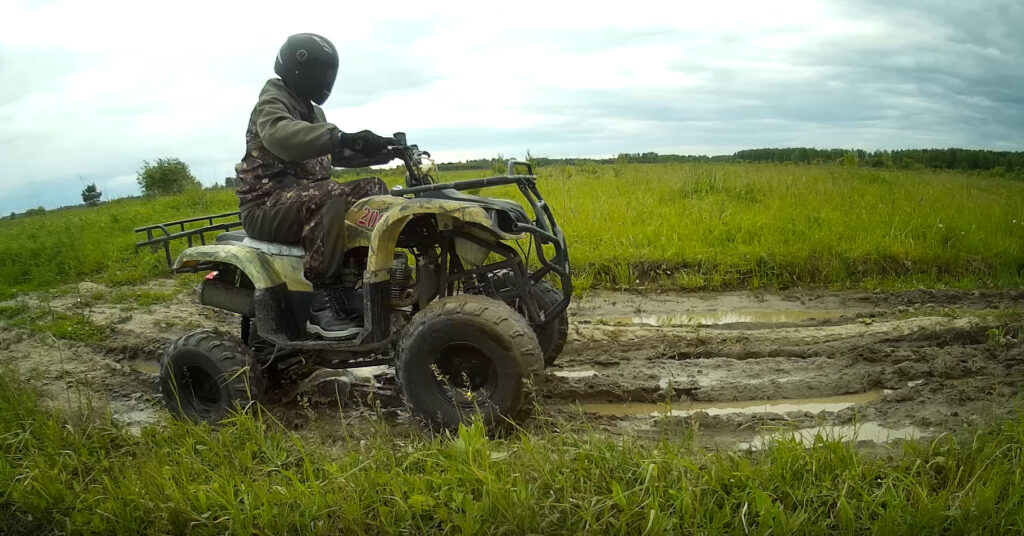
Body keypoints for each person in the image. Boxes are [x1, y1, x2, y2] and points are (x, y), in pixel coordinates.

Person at [234, 33, 395, 340]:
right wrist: (340, 137)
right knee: (329, 194)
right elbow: (282, 135)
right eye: (322, 73)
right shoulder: (273, 102)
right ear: (300, 70)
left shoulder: (310, 110)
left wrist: (379, 151)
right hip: (266, 206)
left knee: (374, 188)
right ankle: (321, 303)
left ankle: (364, 279)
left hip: (300, 200)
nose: (326, 81)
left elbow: (331, 154)